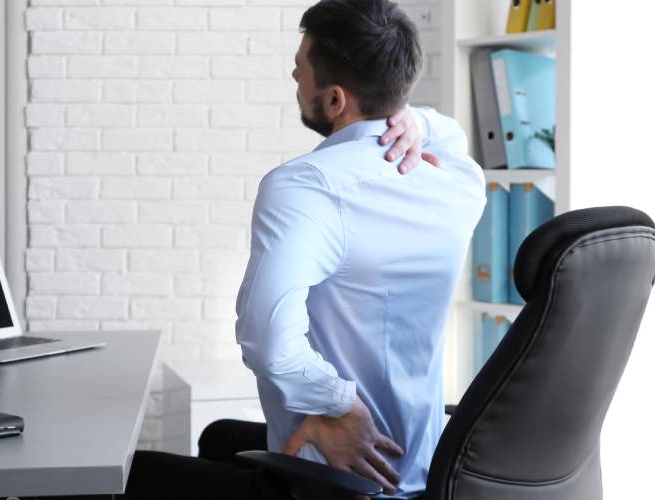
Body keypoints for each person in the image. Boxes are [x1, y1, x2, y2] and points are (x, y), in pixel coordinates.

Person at [115, 0, 485, 498]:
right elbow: (453, 134)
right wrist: (413, 118)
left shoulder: (308, 186)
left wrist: (340, 406)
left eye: (301, 71)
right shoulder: (459, 182)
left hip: (336, 479)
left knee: (125, 472)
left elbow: (268, 341)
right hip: (421, 463)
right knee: (220, 437)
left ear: (335, 100)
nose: (294, 74)